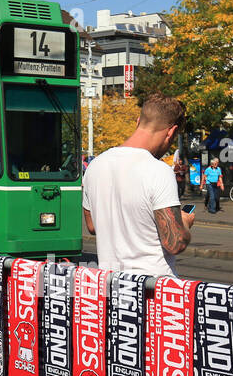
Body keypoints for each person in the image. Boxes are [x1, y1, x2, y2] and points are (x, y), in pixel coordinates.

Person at [81, 93, 193, 276]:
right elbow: (175, 243)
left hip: (113, 287)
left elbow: (92, 226)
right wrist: (185, 222)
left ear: (138, 120)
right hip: (152, 291)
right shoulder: (158, 170)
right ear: (171, 132)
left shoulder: (95, 165)